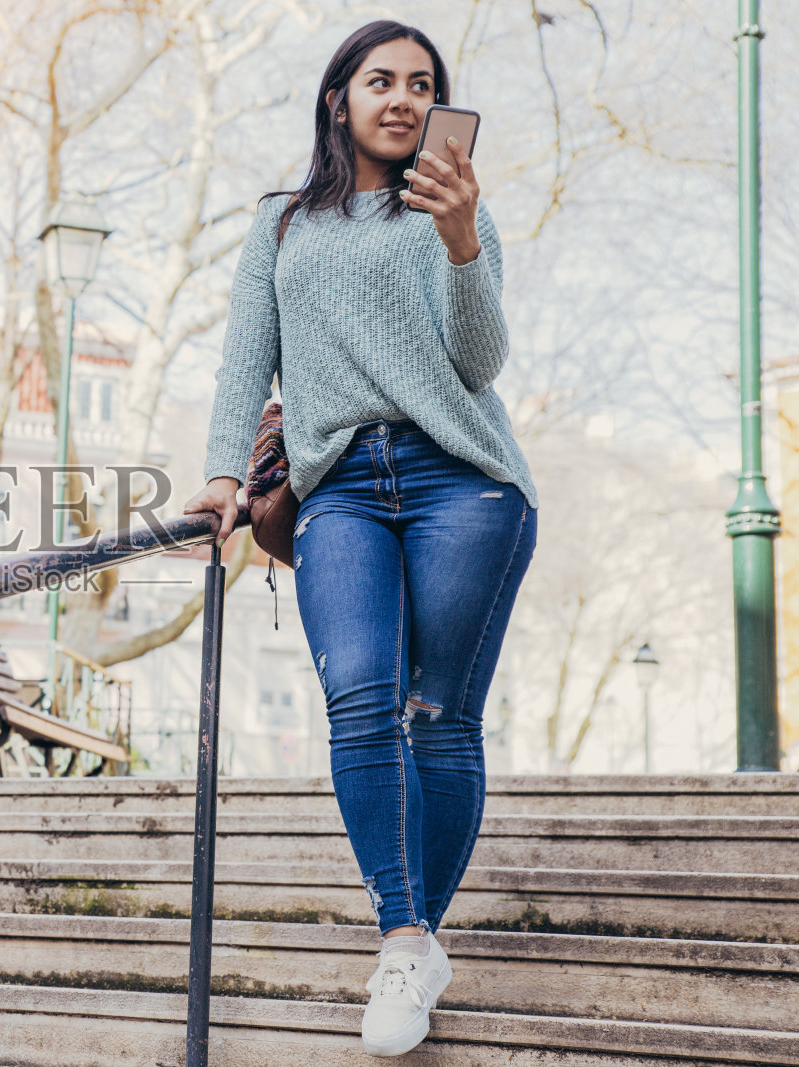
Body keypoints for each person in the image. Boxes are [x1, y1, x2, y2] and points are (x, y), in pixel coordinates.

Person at [182, 18, 539, 1059]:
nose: (402, 98)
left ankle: (410, 944)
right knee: (359, 699)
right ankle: (404, 931)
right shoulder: (281, 222)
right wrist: (220, 478)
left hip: (461, 482)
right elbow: (244, 356)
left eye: (422, 84)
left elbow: (480, 362)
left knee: (437, 714)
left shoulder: (457, 211)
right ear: (339, 98)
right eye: (380, 80)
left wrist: (461, 241)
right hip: (337, 485)